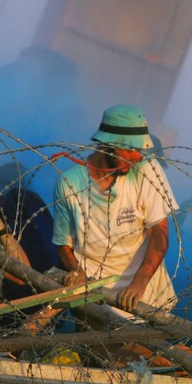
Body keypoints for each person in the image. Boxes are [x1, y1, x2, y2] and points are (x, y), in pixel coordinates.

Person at [52, 104, 178, 314]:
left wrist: (140, 283)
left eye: (139, 150)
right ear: (107, 145)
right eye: (130, 149)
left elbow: (159, 233)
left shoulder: (147, 170)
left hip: (146, 298)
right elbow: (63, 243)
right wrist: (76, 272)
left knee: (143, 347)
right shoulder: (69, 183)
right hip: (95, 298)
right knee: (94, 346)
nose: (137, 157)